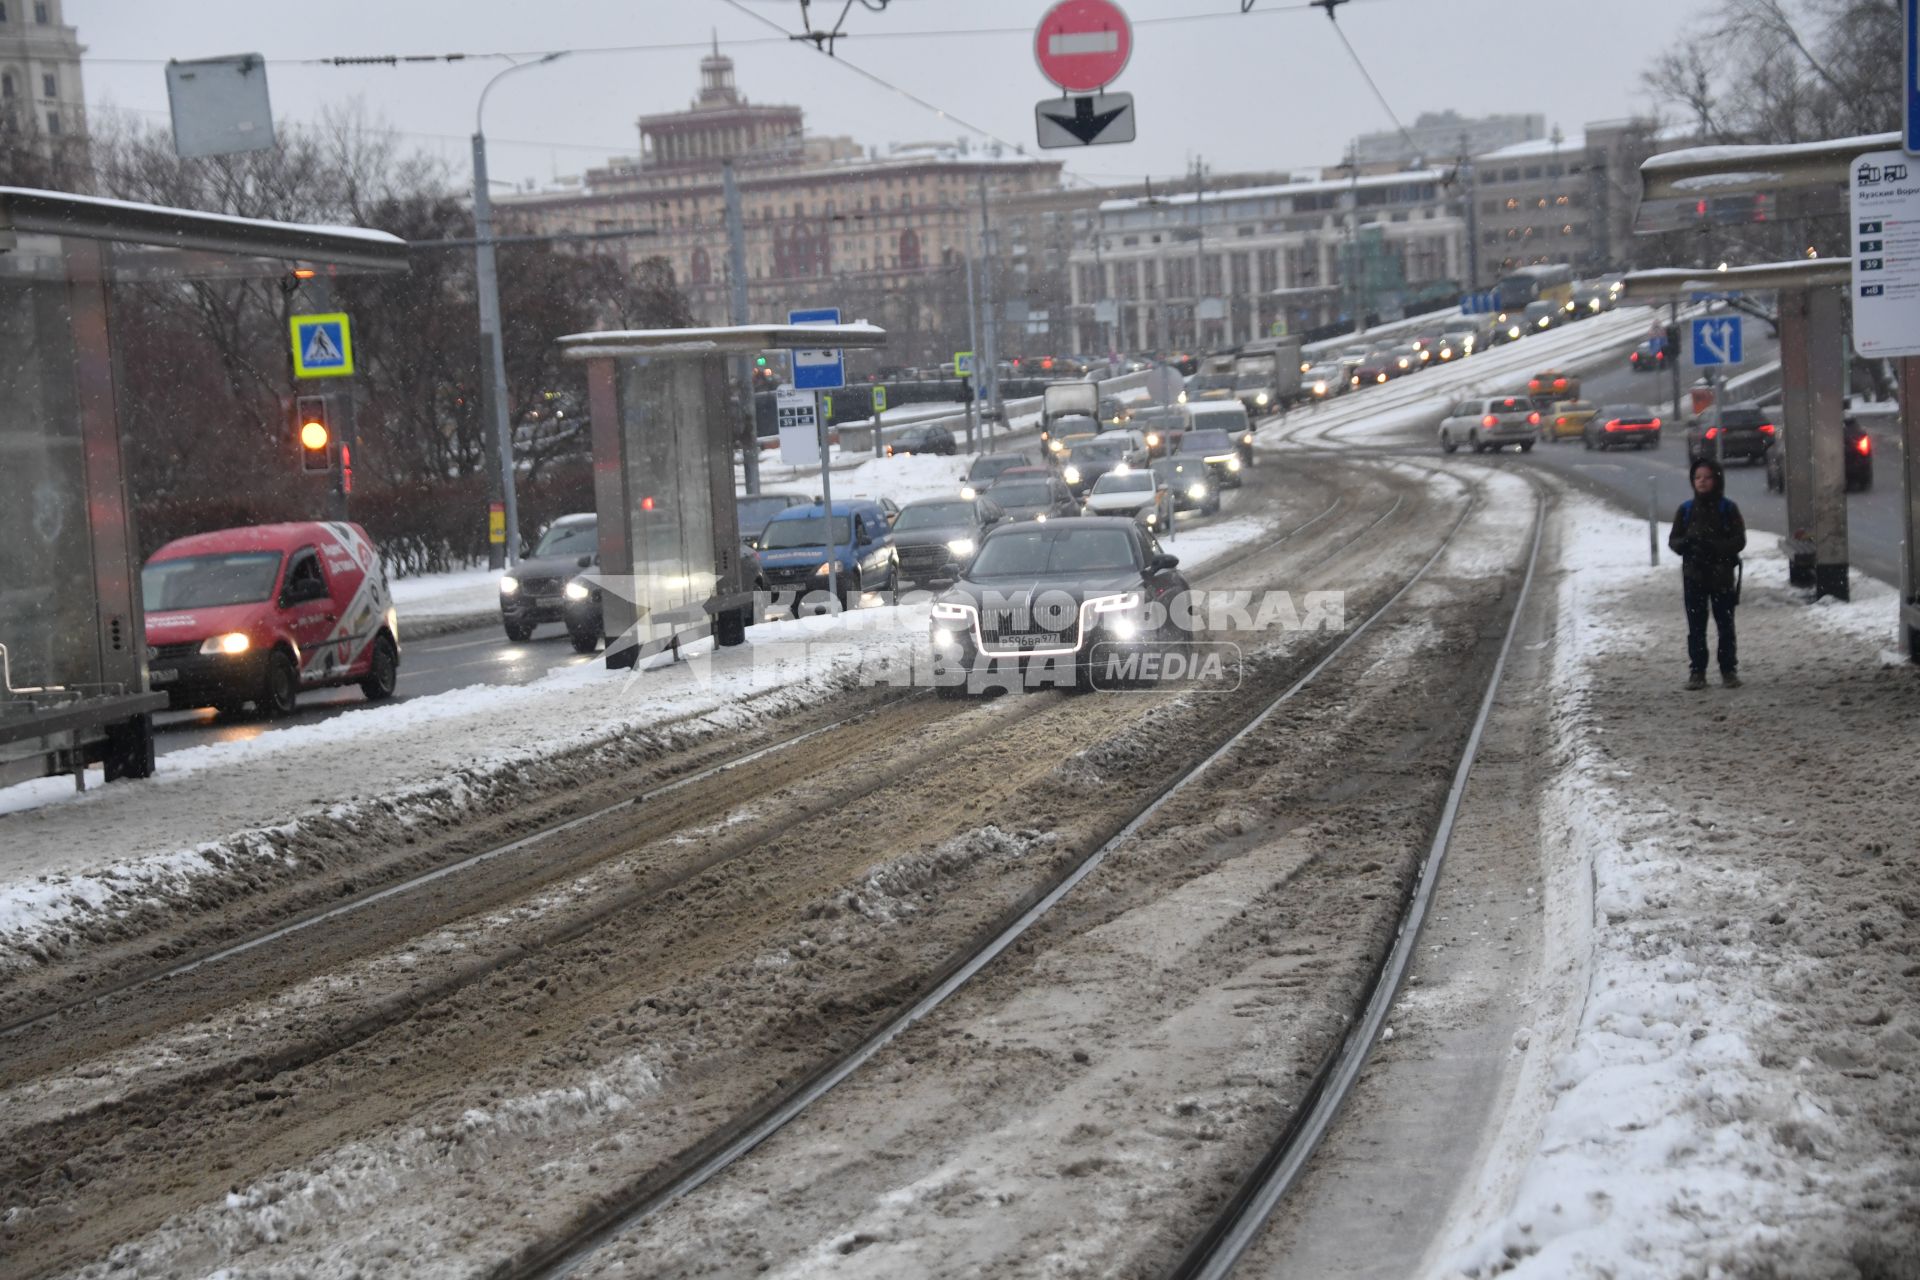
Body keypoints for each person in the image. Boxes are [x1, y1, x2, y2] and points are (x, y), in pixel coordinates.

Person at [1669, 457, 1747, 690]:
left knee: (1725, 625)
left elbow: (1739, 540)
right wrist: (1688, 544)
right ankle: (1697, 671)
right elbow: (1674, 541)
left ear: (1717, 480)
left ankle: (1728, 670)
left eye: (1707, 478)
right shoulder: (1685, 510)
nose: (1701, 482)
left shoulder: (1728, 509)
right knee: (1696, 627)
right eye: (1697, 478)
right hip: (1694, 576)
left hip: (1722, 576)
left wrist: (1716, 548)